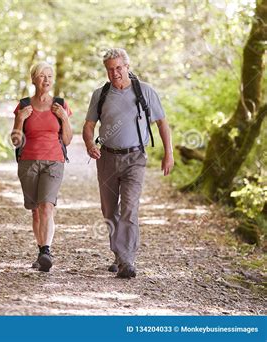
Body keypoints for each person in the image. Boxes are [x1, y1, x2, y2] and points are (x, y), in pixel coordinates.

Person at [83, 48, 174, 279]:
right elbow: (89, 126)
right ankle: (119, 254)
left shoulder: (145, 91)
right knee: (109, 210)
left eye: (118, 67)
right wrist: (89, 144)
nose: (115, 73)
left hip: (135, 158)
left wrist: (168, 153)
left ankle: (127, 260)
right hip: (106, 158)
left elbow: (162, 123)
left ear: (127, 66)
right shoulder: (101, 94)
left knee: (130, 208)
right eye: (110, 69)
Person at [11, 62, 73, 272]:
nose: (46, 80)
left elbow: (67, 140)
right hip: (28, 161)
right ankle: (40, 251)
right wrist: (20, 120)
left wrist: (64, 118)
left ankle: (46, 251)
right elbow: (16, 141)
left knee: (47, 206)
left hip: (54, 161)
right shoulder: (23, 105)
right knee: (36, 211)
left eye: (49, 76)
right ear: (33, 79)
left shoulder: (60, 105)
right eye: (41, 76)